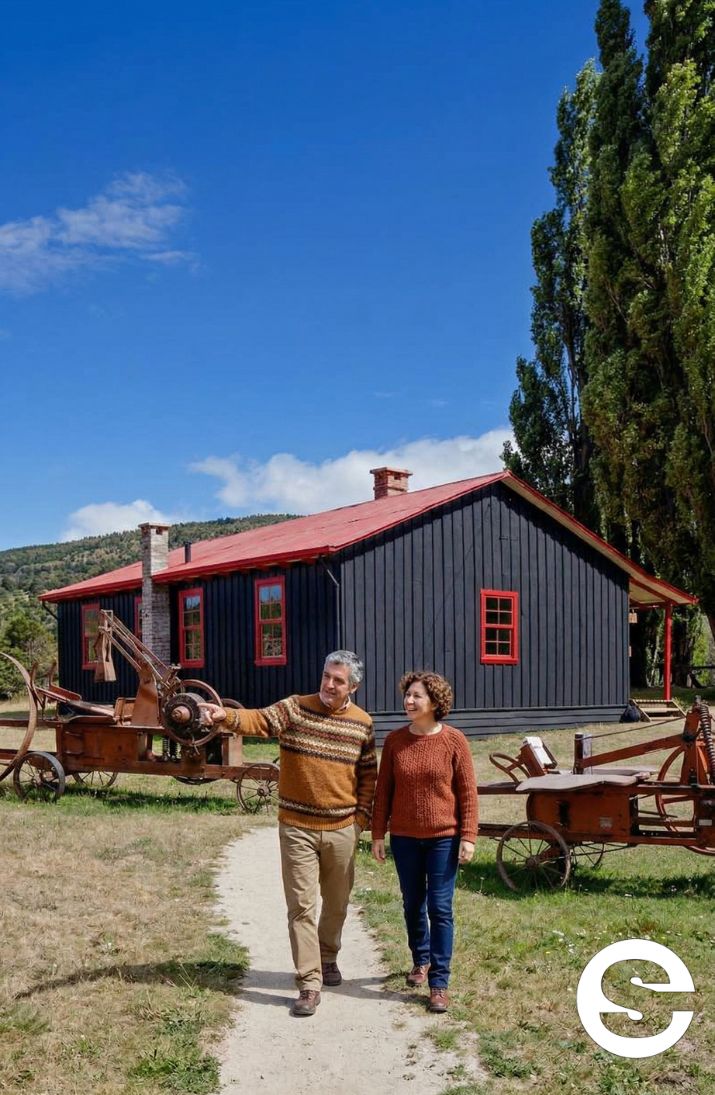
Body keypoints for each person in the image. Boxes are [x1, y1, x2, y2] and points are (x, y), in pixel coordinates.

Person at [204, 651, 376, 1018]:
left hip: (342, 829)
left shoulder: (362, 724)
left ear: (354, 687)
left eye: (339, 680)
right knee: (301, 907)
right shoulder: (295, 709)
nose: (329, 684)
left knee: (337, 904)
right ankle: (309, 982)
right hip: (297, 827)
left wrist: (360, 820)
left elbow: (368, 777)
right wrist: (226, 716)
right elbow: (259, 720)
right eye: (327, 675)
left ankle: (328, 957)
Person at [371, 670, 478, 1014]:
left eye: (417, 696)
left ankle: (440, 983)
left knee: (441, 908)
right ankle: (420, 961)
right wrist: (377, 834)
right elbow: (383, 791)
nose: (409, 701)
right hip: (404, 838)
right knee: (412, 903)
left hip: (443, 839)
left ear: (435, 702)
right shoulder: (395, 742)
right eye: (407, 695)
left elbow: (467, 793)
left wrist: (469, 836)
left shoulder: (454, 740)